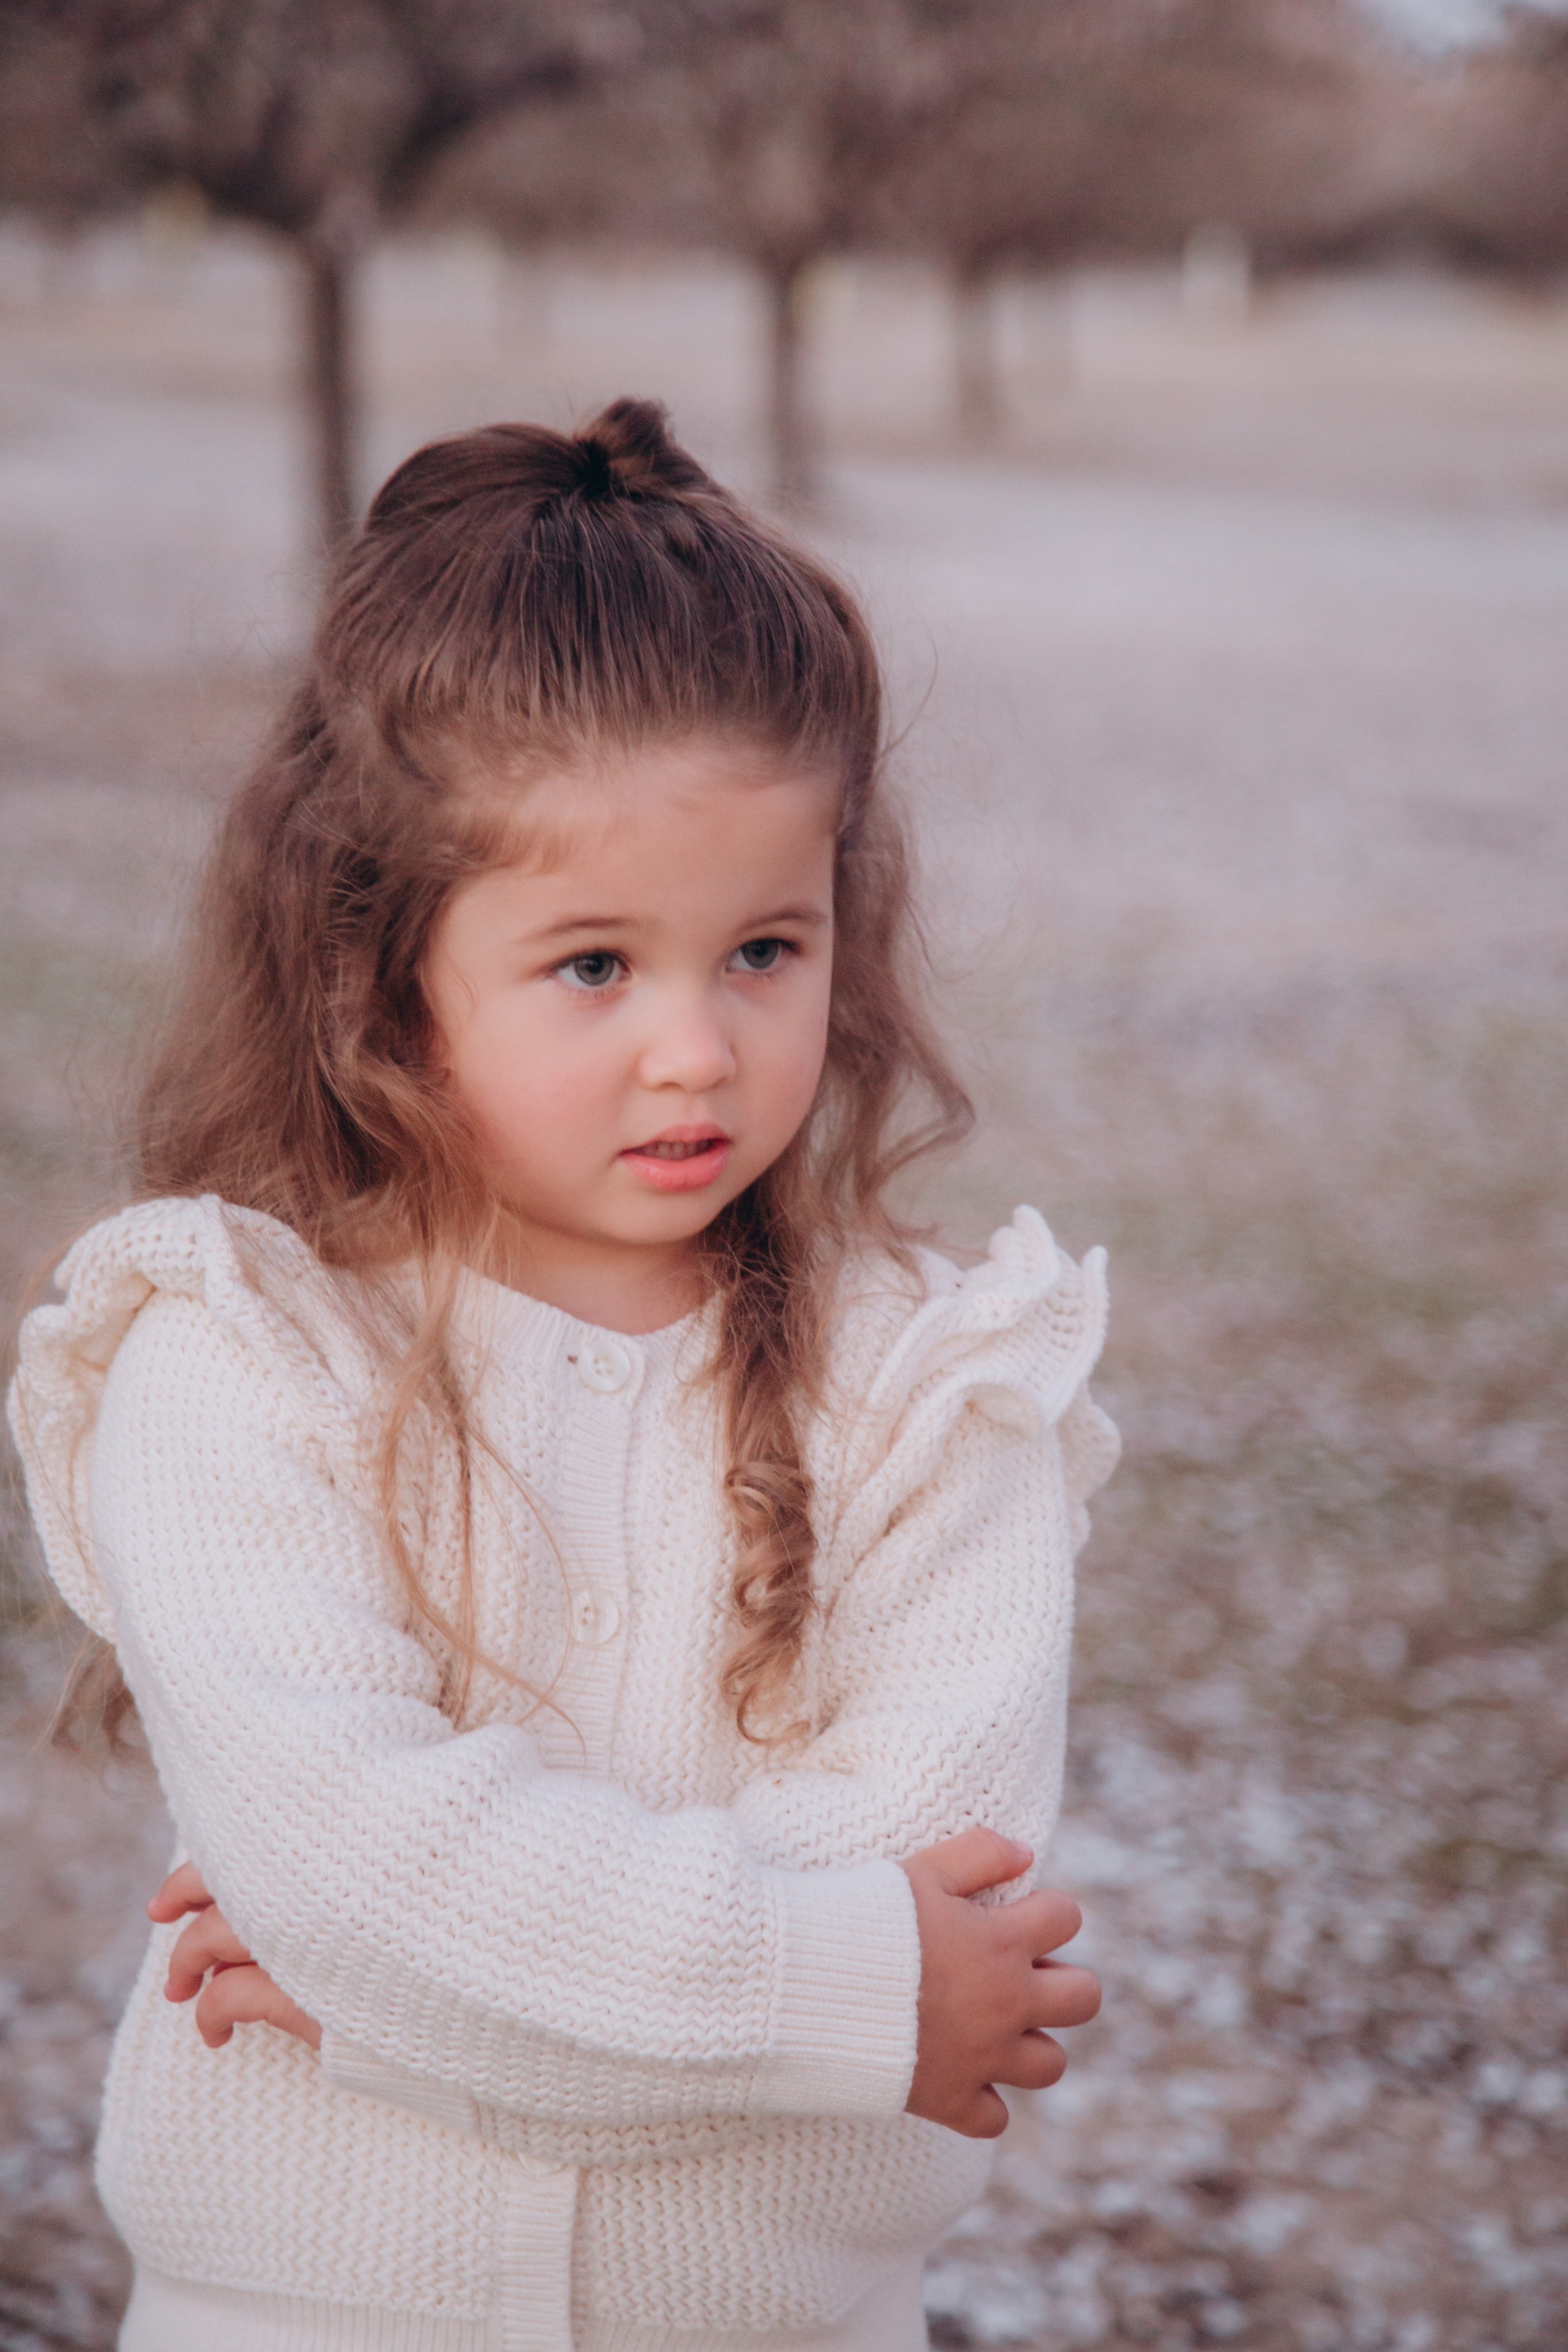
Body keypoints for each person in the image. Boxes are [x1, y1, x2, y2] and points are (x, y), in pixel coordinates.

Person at [9, 398, 1118, 2352]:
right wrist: (846, 2004)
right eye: (595, 965)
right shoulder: (236, 1360)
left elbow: (942, 1898)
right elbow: (375, 1874)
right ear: (380, 968)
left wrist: (390, 1993)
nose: (697, 1051)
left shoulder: (941, 1389)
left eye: (764, 949)